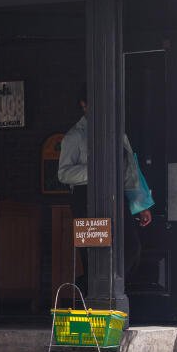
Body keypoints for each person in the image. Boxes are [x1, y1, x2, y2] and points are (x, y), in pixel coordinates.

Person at [57, 87, 153, 283]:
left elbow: (130, 169)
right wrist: (95, 170)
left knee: (131, 248)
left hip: (115, 194)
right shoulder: (75, 136)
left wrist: (141, 205)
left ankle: (107, 291)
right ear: (83, 105)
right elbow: (63, 173)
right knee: (94, 252)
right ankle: (95, 295)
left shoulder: (118, 133)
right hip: (87, 196)